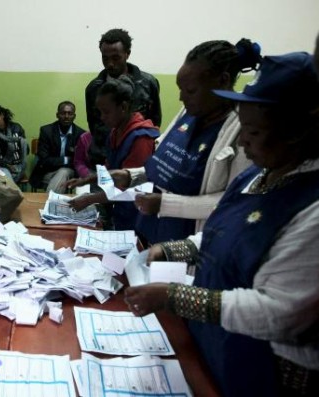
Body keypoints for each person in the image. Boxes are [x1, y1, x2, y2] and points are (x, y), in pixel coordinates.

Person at [124, 52, 319, 397]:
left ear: (297, 131)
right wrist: (173, 249)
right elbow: (222, 234)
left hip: (266, 368)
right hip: (216, 344)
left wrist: (176, 297)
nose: (242, 140)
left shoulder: (311, 208)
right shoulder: (255, 175)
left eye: (255, 131)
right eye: (242, 127)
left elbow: (279, 312)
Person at [110, 39, 260, 245]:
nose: (181, 97)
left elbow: (234, 201)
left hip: (189, 244)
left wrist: (167, 205)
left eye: (190, 91)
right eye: (180, 89)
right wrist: (131, 176)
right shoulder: (189, 112)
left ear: (223, 81)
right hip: (150, 230)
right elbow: (169, 167)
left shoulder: (242, 129)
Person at [68, 76, 159, 230]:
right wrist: (87, 180)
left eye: (106, 112)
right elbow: (111, 171)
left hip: (137, 215)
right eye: (100, 112)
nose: (102, 118)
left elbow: (132, 189)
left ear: (123, 107)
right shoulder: (115, 132)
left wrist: (90, 199)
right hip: (119, 211)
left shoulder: (141, 138)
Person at [85, 28, 162, 137]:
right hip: (103, 153)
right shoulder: (93, 88)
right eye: (105, 58)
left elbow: (155, 122)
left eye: (116, 58)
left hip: (137, 150)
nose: (110, 63)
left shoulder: (148, 83)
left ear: (127, 54)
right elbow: (94, 127)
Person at [29, 101, 85, 193]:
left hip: (70, 174)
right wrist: (67, 160)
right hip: (46, 173)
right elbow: (44, 160)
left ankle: (49, 203)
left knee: (63, 172)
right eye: (63, 113)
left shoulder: (80, 134)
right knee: (61, 177)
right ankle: (53, 204)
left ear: (74, 116)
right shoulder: (46, 131)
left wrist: (57, 161)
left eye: (70, 113)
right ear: (57, 115)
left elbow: (79, 161)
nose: (66, 116)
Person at [0, 103, 28, 183]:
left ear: (2, 115)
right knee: (5, 177)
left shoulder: (16, 128)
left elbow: (26, 150)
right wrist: (7, 166)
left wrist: (21, 144)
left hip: (18, 165)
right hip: (0, 166)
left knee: (8, 178)